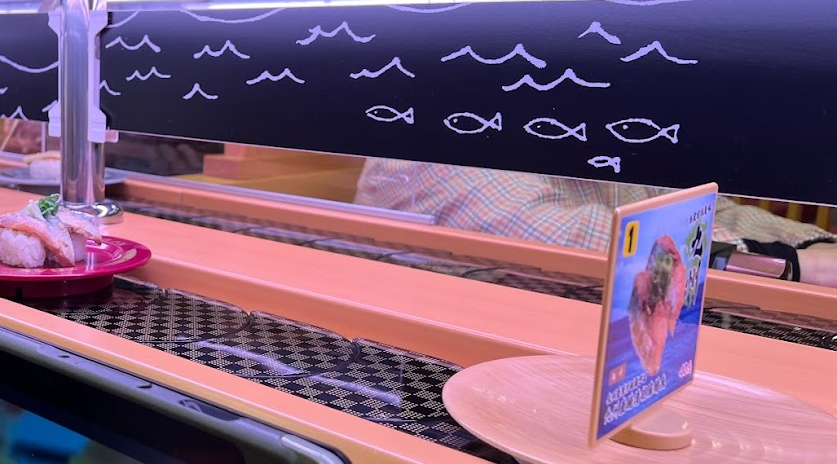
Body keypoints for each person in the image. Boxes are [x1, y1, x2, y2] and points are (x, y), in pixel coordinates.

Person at [355, 158, 837, 287]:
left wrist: (809, 241)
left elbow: (706, 209)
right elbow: (583, 241)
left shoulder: (585, 134)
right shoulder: (432, 143)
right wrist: (792, 265)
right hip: (422, 383)